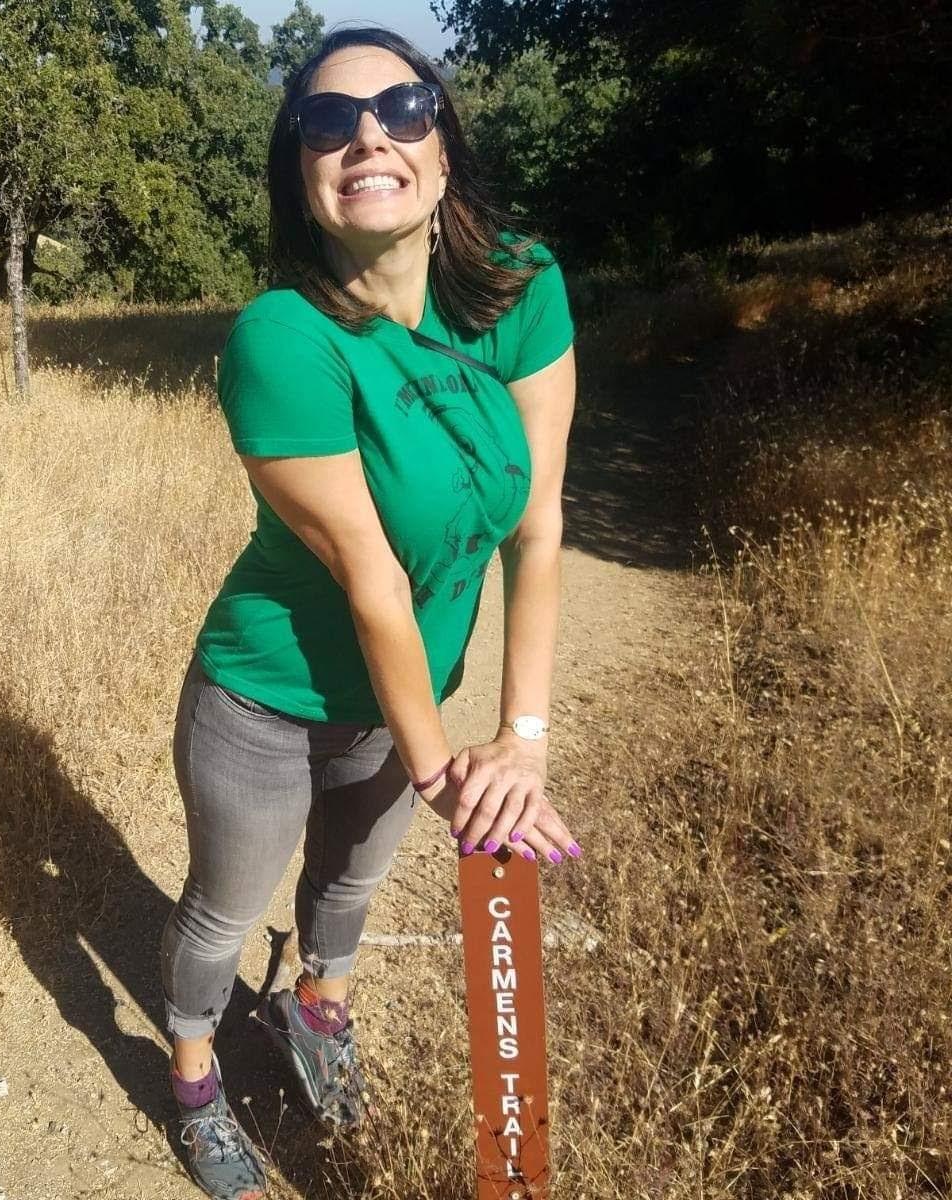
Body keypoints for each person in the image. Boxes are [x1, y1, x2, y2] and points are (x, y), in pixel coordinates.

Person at [159, 25, 582, 1200]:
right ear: (300, 173)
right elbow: (373, 577)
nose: (367, 137)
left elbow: (539, 524)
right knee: (225, 905)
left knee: (345, 891)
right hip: (267, 696)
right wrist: (449, 770)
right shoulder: (281, 339)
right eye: (325, 123)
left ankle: (318, 1014)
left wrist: (523, 741)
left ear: (443, 144)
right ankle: (194, 1079)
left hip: (404, 704)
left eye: (400, 106)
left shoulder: (520, 288)